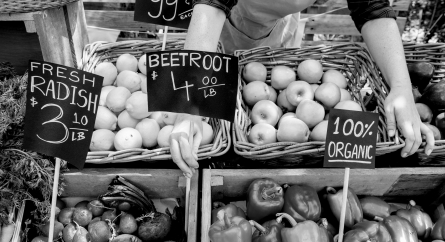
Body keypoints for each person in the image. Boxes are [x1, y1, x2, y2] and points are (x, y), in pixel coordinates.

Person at [169, 0, 435, 177]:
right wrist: (189, 103)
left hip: (281, 22)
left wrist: (400, 88)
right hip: (233, 24)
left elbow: (372, 9)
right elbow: (211, 6)